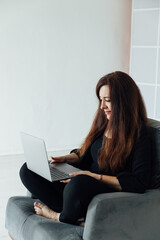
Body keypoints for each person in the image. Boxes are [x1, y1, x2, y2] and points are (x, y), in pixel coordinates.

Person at [20, 71, 151, 226]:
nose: (102, 106)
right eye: (101, 100)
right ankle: (72, 213)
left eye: (107, 100)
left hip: (99, 188)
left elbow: (139, 182)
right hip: (80, 184)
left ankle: (58, 216)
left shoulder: (140, 134)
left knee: (79, 183)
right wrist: (68, 159)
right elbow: (87, 153)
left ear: (124, 102)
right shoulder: (104, 123)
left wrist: (92, 176)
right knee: (29, 169)